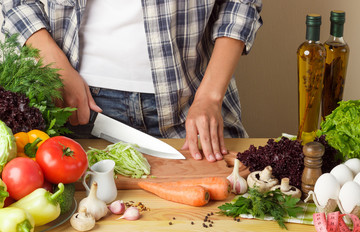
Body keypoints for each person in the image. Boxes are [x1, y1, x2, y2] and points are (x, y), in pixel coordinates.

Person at [1, 0, 262, 162]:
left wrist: (209, 96)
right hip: (78, 107)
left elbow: (240, 4)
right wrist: (55, 66)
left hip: (192, 103)